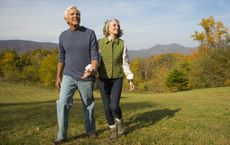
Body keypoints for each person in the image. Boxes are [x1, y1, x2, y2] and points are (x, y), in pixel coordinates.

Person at [53, 5, 99, 145]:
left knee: (88, 105)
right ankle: (62, 135)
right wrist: (58, 76)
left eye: (77, 14)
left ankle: (90, 130)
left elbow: (95, 56)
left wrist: (92, 69)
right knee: (62, 103)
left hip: (86, 77)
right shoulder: (63, 36)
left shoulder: (90, 33)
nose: (75, 16)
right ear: (66, 18)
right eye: (72, 14)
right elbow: (61, 58)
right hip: (68, 75)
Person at [97, 19, 135, 140]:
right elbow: (96, 60)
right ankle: (113, 129)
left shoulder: (122, 44)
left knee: (114, 106)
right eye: (114, 25)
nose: (117, 27)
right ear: (108, 28)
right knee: (107, 107)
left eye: (118, 25)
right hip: (102, 79)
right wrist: (91, 70)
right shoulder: (100, 42)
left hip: (117, 78)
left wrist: (130, 79)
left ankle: (120, 122)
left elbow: (125, 63)